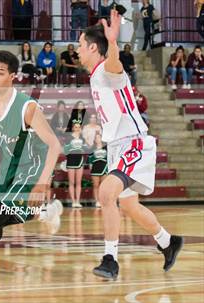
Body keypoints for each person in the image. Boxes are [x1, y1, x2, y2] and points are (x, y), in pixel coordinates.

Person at [77, 10, 183, 280]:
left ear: (92, 47)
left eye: (80, 45)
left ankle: (110, 259)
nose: (77, 50)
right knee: (129, 206)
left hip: (132, 144)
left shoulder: (106, 69)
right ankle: (167, 241)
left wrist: (113, 43)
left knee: (106, 193)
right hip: (117, 147)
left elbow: (115, 65)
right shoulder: (94, 75)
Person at [0, 50, 63, 272]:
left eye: (0, 73)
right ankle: (45, 213)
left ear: (13, 76)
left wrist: (42, 182)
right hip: (9, 166)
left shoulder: (27, 107)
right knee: (2, 213)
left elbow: (54, 145)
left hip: (32, 166)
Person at [63, 123, 87, 208]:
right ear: (73, 128)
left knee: (78, 182)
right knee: (72, 182)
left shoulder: (82, 138)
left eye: (79, 127)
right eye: (75, 127)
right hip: (71, 160)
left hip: (79, 160)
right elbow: (65, 150)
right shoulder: (68, 137)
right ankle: (73, 201)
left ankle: (78, 201)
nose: (77, 129)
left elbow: (85, 150)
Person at [88, 133, 107, 208]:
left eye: (99, 137)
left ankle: (103, 200)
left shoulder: (106, 148)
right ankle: (97, 201)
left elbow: (108, 158)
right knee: (96, 185)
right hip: (95, 167)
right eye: (96, 138)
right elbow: (90, 160)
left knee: (103, 186)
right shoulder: (92, 149)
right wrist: (91, 168)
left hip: (104, 167)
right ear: (95, 140)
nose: (98, 139)